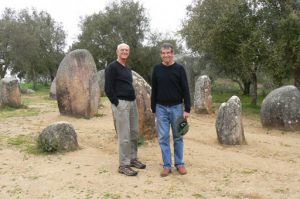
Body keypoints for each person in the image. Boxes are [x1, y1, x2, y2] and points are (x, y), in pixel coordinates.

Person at [105, 43, 146, 176]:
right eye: (122, 50)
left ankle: (133, 158)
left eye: (127, 50)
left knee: (134, 132)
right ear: (117, 52)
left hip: (132, 102)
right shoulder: (112, 67)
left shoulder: (127, 68)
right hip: (121, 103)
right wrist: (116, 103)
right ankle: (124, 164)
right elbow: (108, 88)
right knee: (124, 135)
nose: (124, 52)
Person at [151, 43, 191, 177]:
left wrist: (187, 109)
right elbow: (154, 90)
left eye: (168, 52)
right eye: (163, 53)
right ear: (161, 54)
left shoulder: (179, 69)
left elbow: (185, 89)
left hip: (177, 108)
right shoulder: (156, 69)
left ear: (172, 53)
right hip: (160, 108)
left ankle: (179, 164)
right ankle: (166, 165)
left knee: (178, 136)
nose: (166, 55)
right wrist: (153, 109)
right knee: (163, 137)